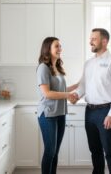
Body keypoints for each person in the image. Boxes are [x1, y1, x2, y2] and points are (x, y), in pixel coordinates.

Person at [74, 28, 111, 174]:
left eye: (94, 39)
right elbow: (83, 85)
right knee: (94, 149)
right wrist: (76, 95)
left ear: (104, 41)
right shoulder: (88, 63)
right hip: (89, 111)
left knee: (109, 149)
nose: (90, 41)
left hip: (105, 111)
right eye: (90, 38)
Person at [36, 37, 78, 174]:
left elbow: (61, 91)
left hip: (60, 113)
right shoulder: (43, 68)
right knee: (50, 151)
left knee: (55, 152)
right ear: (48, 49)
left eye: (60, 46)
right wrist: (67, 96)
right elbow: (47, 93)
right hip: (48, 114)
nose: (60, 49)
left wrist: (79, 85)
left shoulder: (57, 68)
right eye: (57, 46)